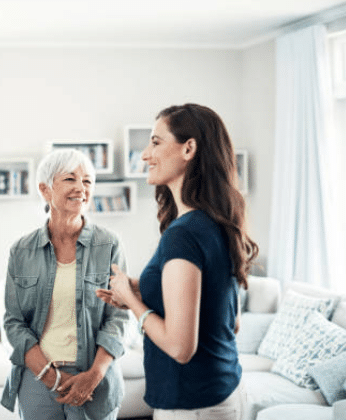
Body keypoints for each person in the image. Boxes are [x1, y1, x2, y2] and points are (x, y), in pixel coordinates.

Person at [97, 103, 259, 420]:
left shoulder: (182, 235)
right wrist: (145, 290)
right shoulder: (216, 225)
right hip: (223, 393)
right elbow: (229, 322)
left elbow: (180, 348)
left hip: (193, 407)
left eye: (156, 141)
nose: (144, 155)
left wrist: (132, 301)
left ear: (189, 148)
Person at [0, 149, 130, 420]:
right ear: (45, 190)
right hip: (38, 379)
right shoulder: (21, 250)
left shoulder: (109, 244)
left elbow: (119, 316)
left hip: (94, 378)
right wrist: (50, 377)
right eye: (70, 179)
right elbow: (14, 322)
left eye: (87, 181)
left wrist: (93, 376)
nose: (81, 188)